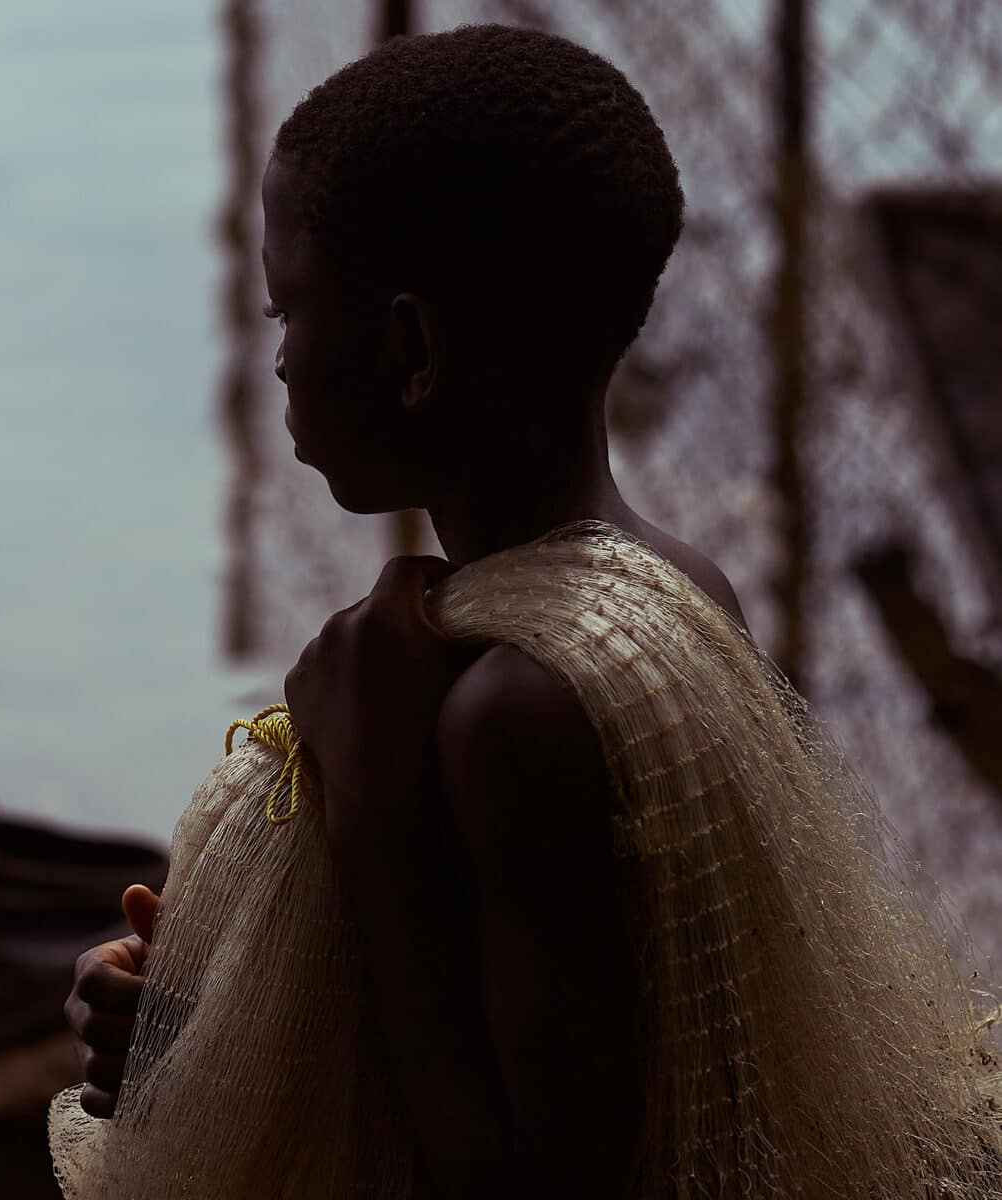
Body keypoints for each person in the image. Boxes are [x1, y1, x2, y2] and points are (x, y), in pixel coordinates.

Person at [62, 23, 1001, 1197]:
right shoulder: (673, 589)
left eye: (284, 312)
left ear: (409, 347)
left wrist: (370, 799)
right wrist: (195, 1031)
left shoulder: (517, 709)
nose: (282, 362)